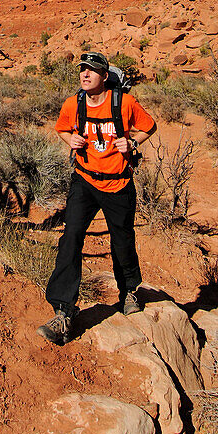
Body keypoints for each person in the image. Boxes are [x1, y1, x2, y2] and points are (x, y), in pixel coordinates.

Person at [37, 51, 157, 346]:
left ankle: (129, 290)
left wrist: (132, 142)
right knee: (72, 236)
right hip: (85, 181)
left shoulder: (124, 103)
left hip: (118, 183)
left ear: (105, 76)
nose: (85, 74)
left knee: (122, 239)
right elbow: (61, 128)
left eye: (92, 70)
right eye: (82, 70)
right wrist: (71, 140)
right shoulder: (74, 103)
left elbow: (149, 125)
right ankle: (63, 310)